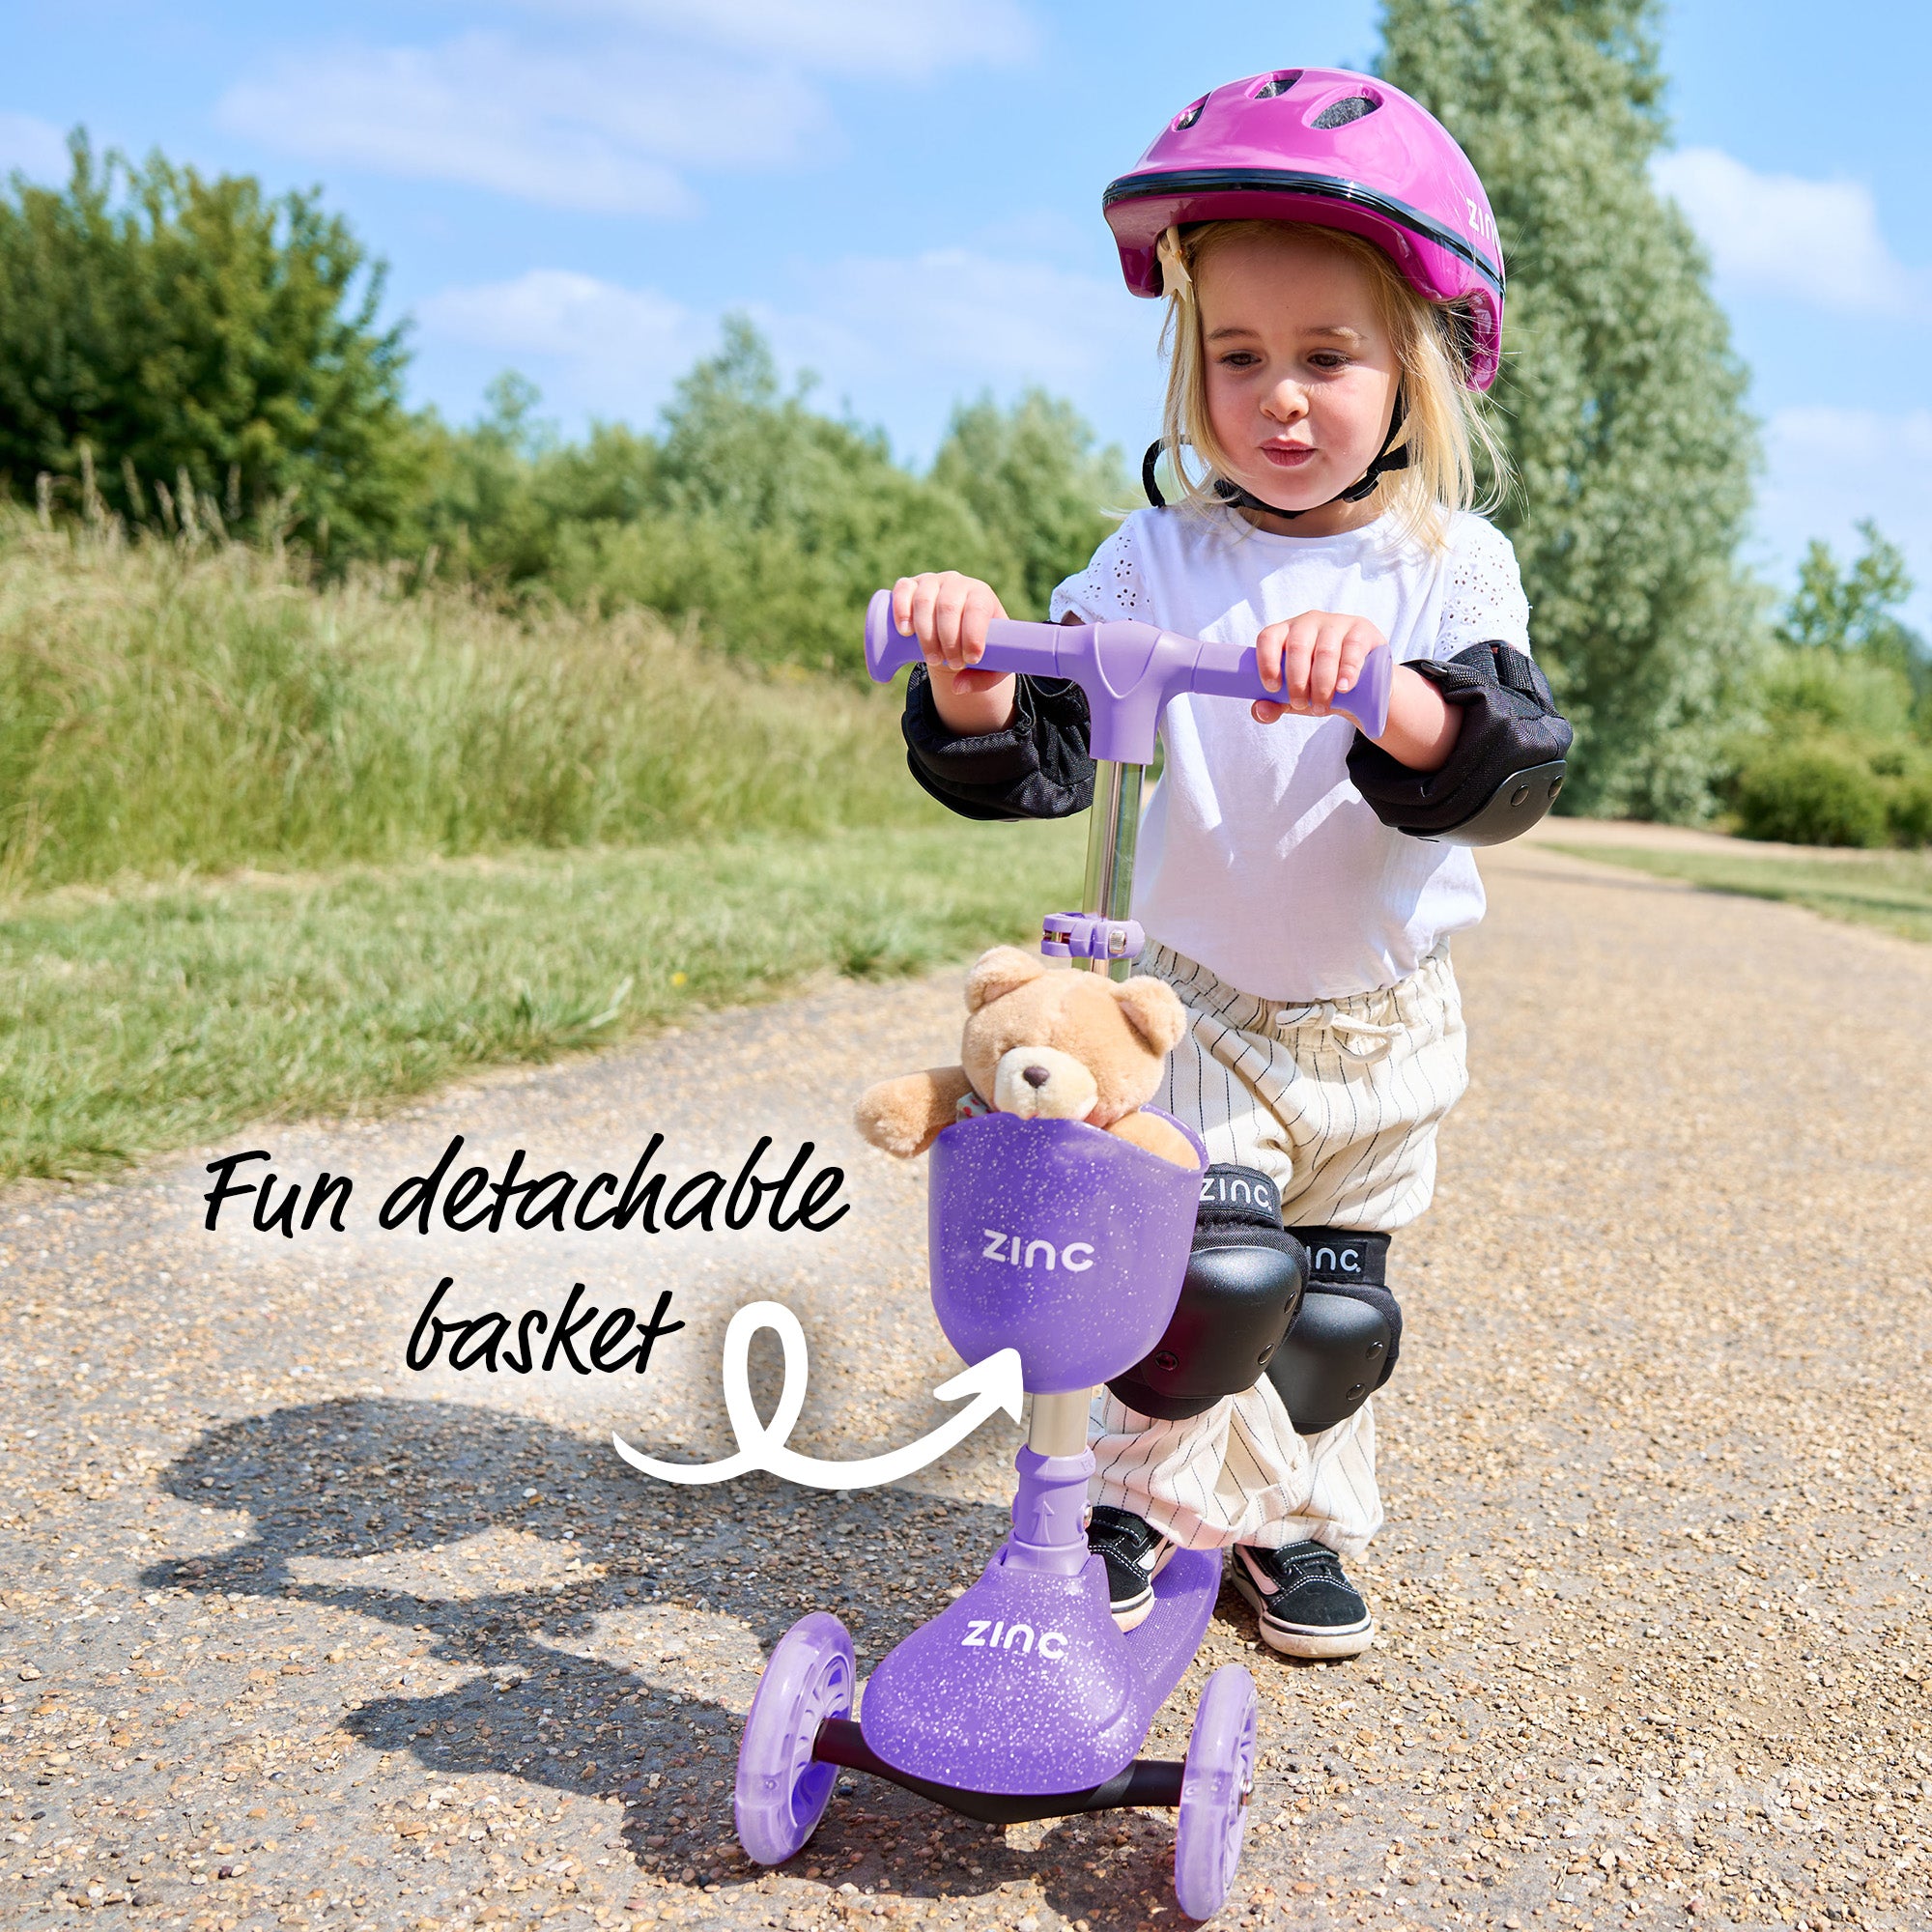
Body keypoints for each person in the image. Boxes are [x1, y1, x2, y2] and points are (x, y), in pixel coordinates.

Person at [890, 69, 1571, 1660]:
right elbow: (1044, 737)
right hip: (1198, 1019)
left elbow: (1506, 761)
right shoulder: (1159, 560)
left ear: (1414, 373)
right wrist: (973, 673)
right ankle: (1122, 1506)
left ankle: (1286, 1528)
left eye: (1326, 359)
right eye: (1236, 357)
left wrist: (1386, 695)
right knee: (1206, 1285)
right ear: (1186, 369)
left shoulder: (1444, 567)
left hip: (1386, 1027)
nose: (1278, 397)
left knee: (1333, 1318)